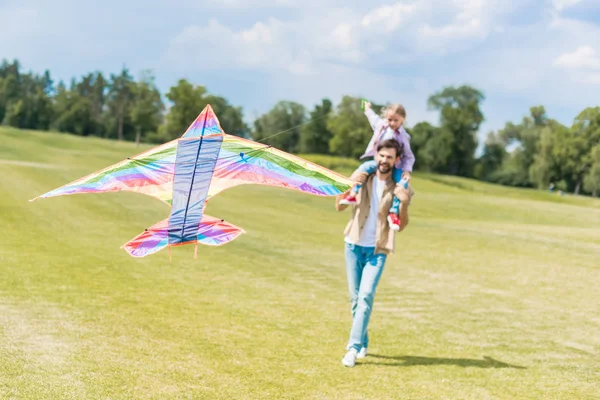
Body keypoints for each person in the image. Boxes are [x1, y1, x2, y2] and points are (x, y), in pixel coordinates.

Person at [335, 138, 413, 368]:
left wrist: (405, 203)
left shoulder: (401, 185)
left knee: (366, 295)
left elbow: (404, 223)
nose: (384, 160)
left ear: (397, 160)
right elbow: (339, 206)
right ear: (375, 156)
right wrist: (348, 185)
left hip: (378, 249)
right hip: (353, 244)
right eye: (381, 155)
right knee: (355, 299)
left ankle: (353, 347)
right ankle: (363, 340)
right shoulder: (363, 176)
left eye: (389, 157)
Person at [339, 101, 415, 232]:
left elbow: (409, 156)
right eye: (389, 119)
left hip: (395, 166)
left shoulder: (403, 137)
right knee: (362, 169)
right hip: (376, 161)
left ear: (402, 119)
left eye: (395, 120)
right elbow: (372, 117)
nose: (392, 123)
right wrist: (367, 108)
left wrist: (407, 171)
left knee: (403, 184)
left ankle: (393, 212)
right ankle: (352, 193)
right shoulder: (381, 126)